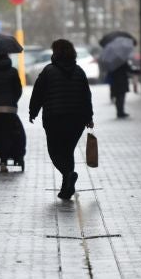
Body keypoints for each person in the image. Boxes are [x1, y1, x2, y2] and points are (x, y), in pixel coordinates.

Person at [29, 39, 94, 200]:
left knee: (55, 152)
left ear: (55, 52)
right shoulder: (79, 71)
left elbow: (38, 93)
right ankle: (67, 186)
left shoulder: (48, 71)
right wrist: (88, 117)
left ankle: (68, 175)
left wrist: (33, 111)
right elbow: (86, 95)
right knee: (67, 151)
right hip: (77, 119)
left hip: (54, 118)